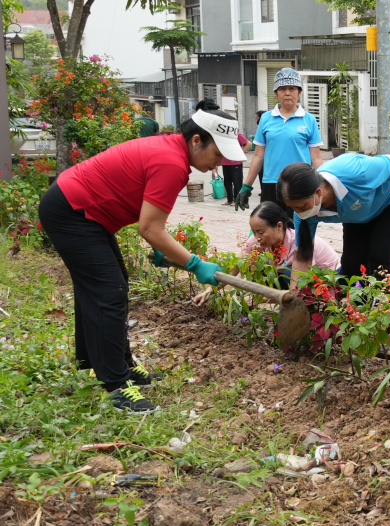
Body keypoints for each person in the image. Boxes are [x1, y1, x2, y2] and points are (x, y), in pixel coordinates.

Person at [38, 109, 239, 413]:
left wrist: (165, 250)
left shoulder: (171, 151)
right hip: (71, 211)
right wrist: (195, 264)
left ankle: (116, 365)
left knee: (111, 285)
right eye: (218, 153)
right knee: (108, 290)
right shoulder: (171, 162)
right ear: (197, 140)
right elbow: (150, 228)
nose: (220, 162)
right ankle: (116, 386)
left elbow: (142, 211)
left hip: (81, 210)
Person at [276, 153, 390, 278]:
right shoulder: (303, 215)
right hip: (357, 212)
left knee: (380, 261)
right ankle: (354, 303)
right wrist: (296, 295)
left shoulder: (357, 173)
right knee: (351, 265)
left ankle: (382, 302)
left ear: (318, 193)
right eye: (292, 207)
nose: (298, 212)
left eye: (301, 206)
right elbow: (302, 257)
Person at [193, 201, 340, 305]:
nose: (257, 237)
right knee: (257, 266)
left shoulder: (299, 242)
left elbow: (300, 287)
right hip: (294, 282)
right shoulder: (257, 241)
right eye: (254, 232)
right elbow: (235, 267)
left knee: (287, 273)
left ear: (279, 226)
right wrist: (209, 291)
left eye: (261, 232)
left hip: (326, 281)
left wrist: (262, 299)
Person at [237, 68, 323, 209]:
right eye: (282, 89)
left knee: (299, 223)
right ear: (276, 93)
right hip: (271, 183)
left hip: (300, 184)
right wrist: (247, 185)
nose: (287, 93)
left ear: (299, 92)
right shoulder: (266, 118)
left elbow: (316, 157)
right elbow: (258, 155)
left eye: (292, 88)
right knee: (270, 221)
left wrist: (324, 184)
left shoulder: (309, 120)